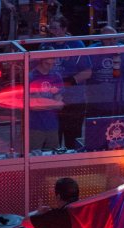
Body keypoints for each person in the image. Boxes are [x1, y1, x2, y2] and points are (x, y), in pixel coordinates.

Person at [42, 15, 91, 150]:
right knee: (51, 140)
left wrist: (68, 82)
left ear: (64, 29)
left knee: (72, 139)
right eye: (51, 28)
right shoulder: (45, 46)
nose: (53, 32)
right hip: (51, 102)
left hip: (73, 101)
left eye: (56, 28)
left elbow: (87, 72)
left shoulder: (76, 45)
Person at [86, 25, 124, 118]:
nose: (112, 41)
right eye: (108, 39)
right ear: (101, 39)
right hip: (97, 103)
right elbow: (85, 74)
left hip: (121, 101)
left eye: (114, 38)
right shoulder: (91, 51)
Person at [28, 56, 63, 151]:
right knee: (34, 155)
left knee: (53, 154)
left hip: (52, 125)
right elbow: (33, 106)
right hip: (35, 125)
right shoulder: (31, 77)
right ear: (40, 61)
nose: (50, 67)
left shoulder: (56, 76)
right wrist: (53, 103)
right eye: (47, 64)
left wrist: (41, 101)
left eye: (53, 64)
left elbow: (60, 105)